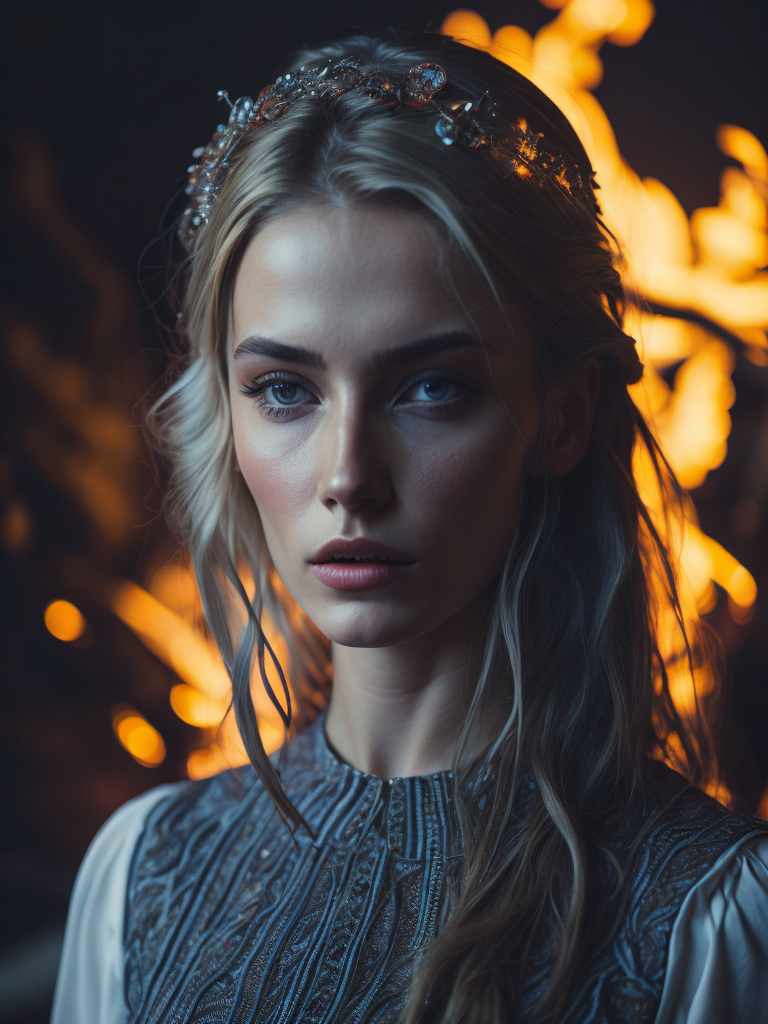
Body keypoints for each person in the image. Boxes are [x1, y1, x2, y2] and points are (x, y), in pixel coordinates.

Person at [51, 29, 768, 1024]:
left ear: (560, 416)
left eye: (432, 386)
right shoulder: (139, 873)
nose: (348, 475)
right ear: (228, 408)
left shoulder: (709, 919)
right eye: (286, 389)